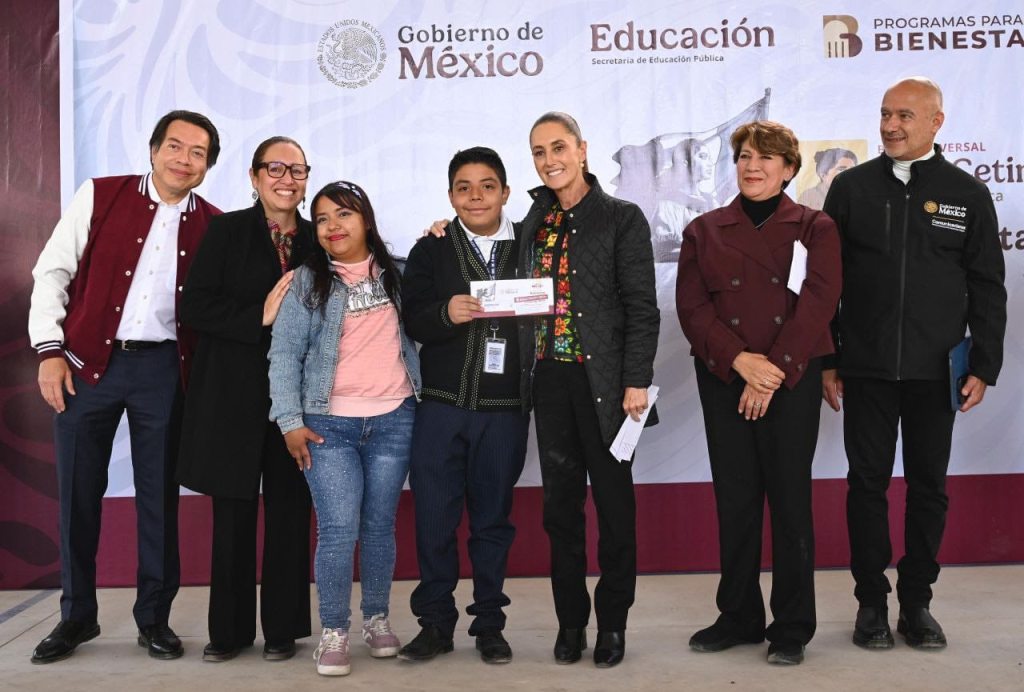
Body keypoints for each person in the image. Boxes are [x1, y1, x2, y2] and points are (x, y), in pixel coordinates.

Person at [28, 110, 221, 663]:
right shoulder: (101, 195)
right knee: (77, 493)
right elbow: (53, 272)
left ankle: (153, 619)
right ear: (154, 148)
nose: (184, 160)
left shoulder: (213, 222)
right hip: (86, 364)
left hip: (163, 372)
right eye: (176, 147)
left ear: (208, 166)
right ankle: (76, 618)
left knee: (158, 496)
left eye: (198, 153)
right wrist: (48, 351)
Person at [822, 77, 1006, 651]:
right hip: (867, 368)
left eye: (904, 115)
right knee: (866, 485)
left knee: (928, 488)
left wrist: (985, 363)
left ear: (936, 123)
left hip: (937, 372)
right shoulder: (849, 189)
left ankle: (918, 603)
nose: (890, 125)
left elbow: (987, 286)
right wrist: (829, 358)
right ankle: (871, 605)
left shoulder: (967, 193)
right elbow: (826, 284)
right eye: (884, 114)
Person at [676, 121, 842, 666]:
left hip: (789, 380)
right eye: (745, 155)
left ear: (789, 168)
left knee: (791, 503)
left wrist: (770, 371)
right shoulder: (705, 229)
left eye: (767, 157)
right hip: (726, 378)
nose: (753, 165)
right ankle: (739, 615)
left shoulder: (816, 227)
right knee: (736, 500)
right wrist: (740, 362)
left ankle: (792, 625)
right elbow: (692, 308)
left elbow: (819, 301)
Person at [268, 180, 421, 677]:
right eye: (324, 218)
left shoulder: (399, 275)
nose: (334, 226)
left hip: (394, 419)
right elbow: (284, 354)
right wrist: (290, 421)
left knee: (379, 528)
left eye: (345, 215)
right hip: (328, 425)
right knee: (337, 531)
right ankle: (334, 630)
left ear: (367, 220)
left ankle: (376, 619)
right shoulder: (307, 282)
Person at [523, 112, 659, 668]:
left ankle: (613, 626)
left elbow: (642, 309)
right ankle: (571, 623)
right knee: (560, 510)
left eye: (558, 147)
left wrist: (636, 381)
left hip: (607, 386)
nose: (549, 159)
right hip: (549, 380)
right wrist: (443, 229)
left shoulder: (621, 218)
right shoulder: (533, 219)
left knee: (614, 509)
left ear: (582, 149)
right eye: (537, 151)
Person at [176, 137, 314, 662]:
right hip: (230, 398)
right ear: (254, 177)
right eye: (274, 168)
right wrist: (258, 315)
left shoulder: (317, 241)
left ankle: (283, 630)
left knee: (289, 514)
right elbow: (196, 307)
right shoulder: (227, 230)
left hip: (294, 403)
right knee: (232, 519)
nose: (287, 178)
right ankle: (228, 632)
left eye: (297, 169)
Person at [398, 147, 531, 665]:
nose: (475, 196)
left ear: (505, 192)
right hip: (440, 408)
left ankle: (490, 626)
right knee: (434, 519)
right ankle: (434, 624)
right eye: (464, 187)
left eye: (487, 185)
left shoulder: (530, 243)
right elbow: (411, 320)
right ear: (449, 194)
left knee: (492, 522)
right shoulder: (431, 249)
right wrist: (443, 313)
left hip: (504, 410)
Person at [652, 138, 717, 261]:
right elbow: (664, 250)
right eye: (702, 157)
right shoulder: (668, 204)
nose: (710, 163)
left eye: (709, 158)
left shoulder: (711, 202)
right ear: (684, 162)